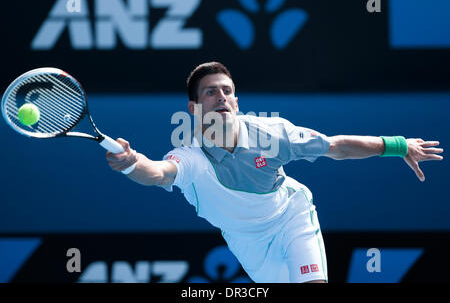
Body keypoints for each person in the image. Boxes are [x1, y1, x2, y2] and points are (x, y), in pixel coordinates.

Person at [106, 62, 444, 283]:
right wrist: (132, 162)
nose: (221, 97)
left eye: (227, 91)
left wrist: (398, 145)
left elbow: (336, 146)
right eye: (211, 92)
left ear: (236, 102)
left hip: (290, 217)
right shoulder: (191, 159)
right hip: (248, 245)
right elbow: (157, 172)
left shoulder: (272, 134)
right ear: (194, 109)